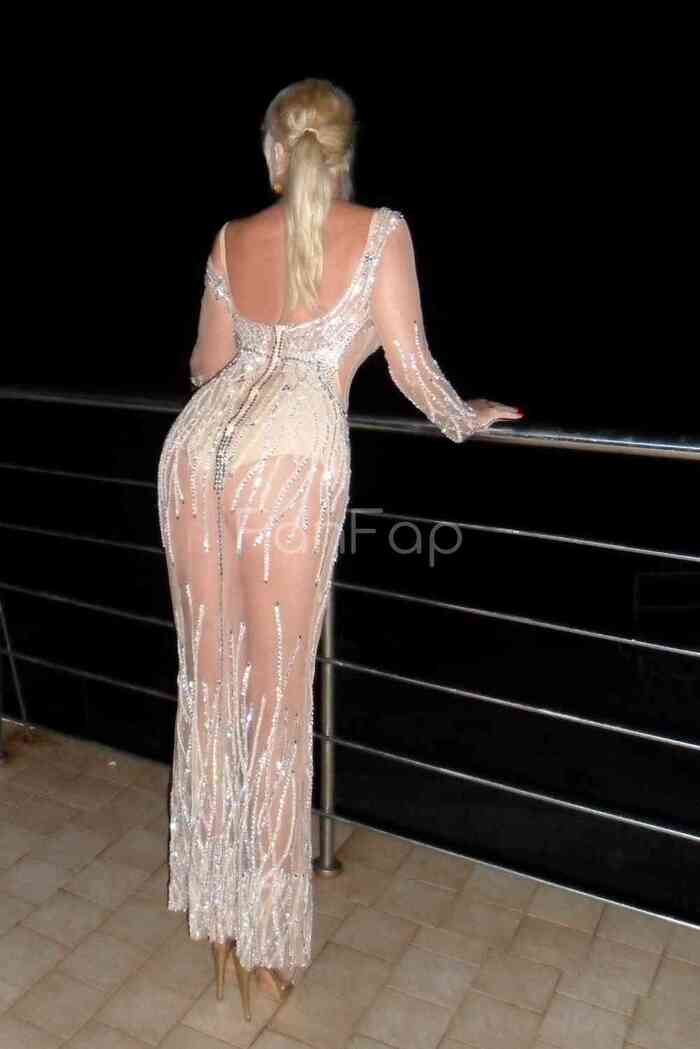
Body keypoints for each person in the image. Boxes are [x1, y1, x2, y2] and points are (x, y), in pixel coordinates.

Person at [156, 77, 523, 1021]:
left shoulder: (231, 237)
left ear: (273, 152)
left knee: (211, 685)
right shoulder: (384, 230)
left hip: (197, 453)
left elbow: (205, 364)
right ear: (346, 152)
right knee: (276, 706)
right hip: (288, 460)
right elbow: (410, 365)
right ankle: (267, 946)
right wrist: (465, 418)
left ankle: (220, 918)